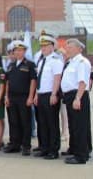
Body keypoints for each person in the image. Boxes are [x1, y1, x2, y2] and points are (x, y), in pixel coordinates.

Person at [61, 38, 91, 165]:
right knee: (73, 125)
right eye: (67, 48)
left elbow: (82, 82)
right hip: (69, 96)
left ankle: (81, 156)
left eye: (71, 48)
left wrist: (78, 98)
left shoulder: (82, 62)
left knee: (80, 126)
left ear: (79, 49)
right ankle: (74, 149)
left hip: (78, 95)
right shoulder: (71, 62)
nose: (68, 50)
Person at [33, 32, 63, 160]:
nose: (43, 48)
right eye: (41, 46)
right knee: (42, 123)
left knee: (52, 123)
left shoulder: (56, 60)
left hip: (50, 95)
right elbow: (39, 79)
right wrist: (35, 94)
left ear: (52, 46)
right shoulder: (41, 61)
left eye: (46, 46)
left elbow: (57, 78)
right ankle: (44, 147)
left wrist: (54, 94)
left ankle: (53, 150)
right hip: (40, 95)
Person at [4, 41, 37, 156]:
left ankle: (26, 146)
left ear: (24, 51)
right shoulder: (11, 65)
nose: (18, 52)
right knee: (13, 121)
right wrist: (6, 96)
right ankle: (14, 144)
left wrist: (30, 97)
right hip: (12, 97)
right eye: (16, 50)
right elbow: (7, 82)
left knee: (25, 121)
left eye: (20, 50)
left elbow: (33, 81)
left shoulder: (30, 64)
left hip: (24, 97)